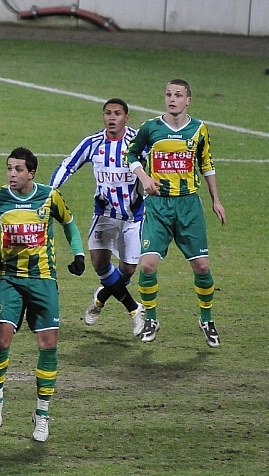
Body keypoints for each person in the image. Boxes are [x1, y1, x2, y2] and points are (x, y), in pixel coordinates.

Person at [0, 147, 85, 442]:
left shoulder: (49, 196)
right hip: (11, 279)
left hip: (43, 280)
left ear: (31, 173)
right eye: (9, 168)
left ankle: (42, 414)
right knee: (0, 340)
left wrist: (79, 254)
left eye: (18, 169)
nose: (12, 174)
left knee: (48, 345)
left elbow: (69, 223)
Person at [125, 79, 226, 347]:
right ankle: (152, 319)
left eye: (178, 95)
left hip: (188, 206)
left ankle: (207, 319)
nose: (172, 99)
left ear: (188, 100)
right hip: (158, 207)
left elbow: (206, 164)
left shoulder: (199, 129)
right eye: (168, 94)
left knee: (202, 266)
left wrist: (216, 199)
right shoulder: (150, 128)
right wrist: (144, 177)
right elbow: (131, 154)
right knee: (147, 264)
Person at [49, 98, 145, 336]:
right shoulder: (93, 143)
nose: (112, 118)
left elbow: (155, 167)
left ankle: (102, 297)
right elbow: (67, 165)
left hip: (133, 216)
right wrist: (49, 193)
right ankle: (134, 309)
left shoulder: (138, 141)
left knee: (128, 270)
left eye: (117, 113)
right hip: (104, 214)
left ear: (126, 117)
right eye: (108, 113)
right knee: (99, 264)